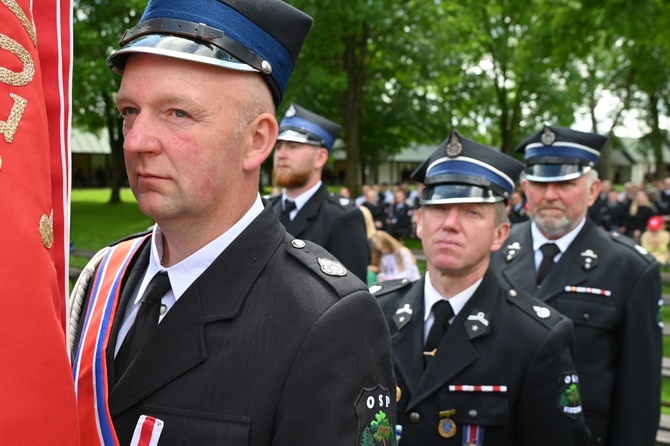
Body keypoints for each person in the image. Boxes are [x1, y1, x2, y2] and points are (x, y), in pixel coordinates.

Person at [68, 1, 396, 444]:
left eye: (177, 113)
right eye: (130, 111)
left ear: (256, 141)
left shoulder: (328, 321)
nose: (138, 141)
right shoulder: (103, 279)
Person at [373, 130, 589, 445]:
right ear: (419, 221)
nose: (449, 224)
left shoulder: (537, 338)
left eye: (472, 212)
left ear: (500, 234)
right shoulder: (375, 311)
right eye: (438, 208)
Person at [490, 125, 662, 446]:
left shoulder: (630, 269)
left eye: (565, 183)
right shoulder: (495, 250)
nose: (550, 195)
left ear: (593, 190)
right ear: (525, 188)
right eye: (540, 184)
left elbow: (639, 393)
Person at [270, 104, 370, 282]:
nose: (281, 154)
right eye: (278, 146)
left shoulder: (343, 218)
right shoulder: (265, 208)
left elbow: (353, 300)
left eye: (293, 146)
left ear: (320, 157)